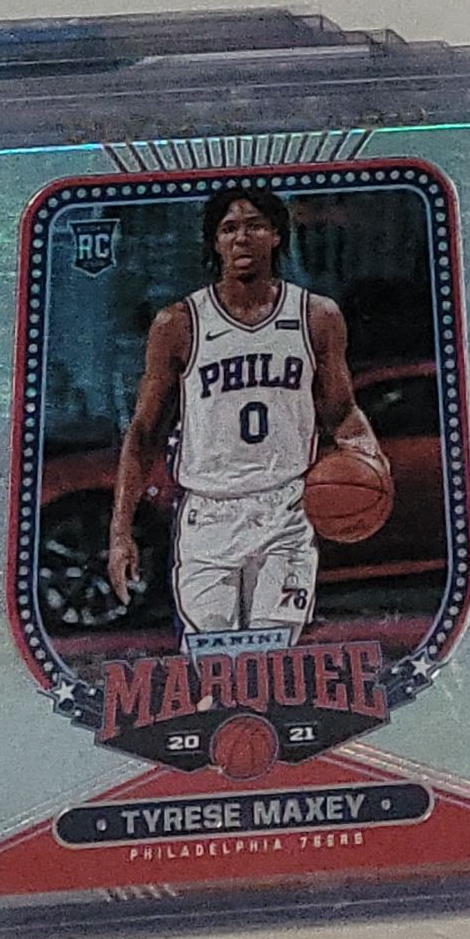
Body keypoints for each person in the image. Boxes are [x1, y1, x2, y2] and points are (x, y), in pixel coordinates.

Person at [108, 186, 387, 640]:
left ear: (276, 235)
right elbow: (143, 432)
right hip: (209, 513)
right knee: (215, 662)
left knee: (271, 656)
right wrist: (120, 532)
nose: (241, 237)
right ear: (215, 242)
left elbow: (342, 411)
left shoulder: (316, 316)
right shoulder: (178, 323)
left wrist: (370, 459)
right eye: (229, 228)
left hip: (285, 508)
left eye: (255, 225)